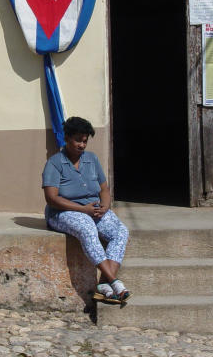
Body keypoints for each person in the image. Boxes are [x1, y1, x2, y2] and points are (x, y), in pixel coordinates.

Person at [42, 116, 131, 304]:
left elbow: (104, 189)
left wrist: (105, 206)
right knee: (87, 228)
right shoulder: (55, 163)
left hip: (93, 209)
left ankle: (104, 285)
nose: (82, 145)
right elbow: (52, 198)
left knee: (120, 231)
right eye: (77, 140)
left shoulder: (91, 159)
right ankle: (115, 282)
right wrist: (83, 210)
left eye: (84, 141)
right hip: (62, 212)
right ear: (66, 138)